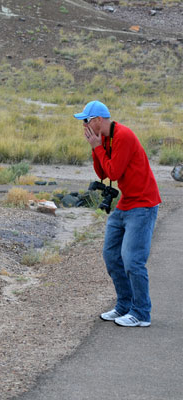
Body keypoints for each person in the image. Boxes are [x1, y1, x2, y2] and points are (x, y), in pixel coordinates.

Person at [77, 100, 161, 327]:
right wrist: (95, 147)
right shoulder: (105, 138)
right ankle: (125, 305)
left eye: (86, 120)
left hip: (143, 203)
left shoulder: (123, 135)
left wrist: (97, 148)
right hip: (127, 203)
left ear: (97, 120)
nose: (84, 125)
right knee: (112, 256)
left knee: (133, 260)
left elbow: (114, 170)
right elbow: (103, 173)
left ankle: (142, 313)